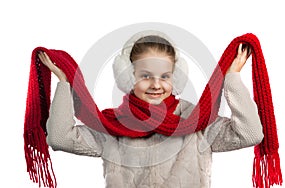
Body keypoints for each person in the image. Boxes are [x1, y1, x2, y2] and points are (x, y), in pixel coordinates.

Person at [38, 30, 263, 188]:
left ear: (175, 78)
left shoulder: (196, 120)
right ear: (128, 77)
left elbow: (250, 134)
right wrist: (64, 84)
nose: (156, 85)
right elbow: (60, 139)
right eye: (146, 76)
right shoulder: (114, 124)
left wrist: (232, 78)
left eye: (165, 76)